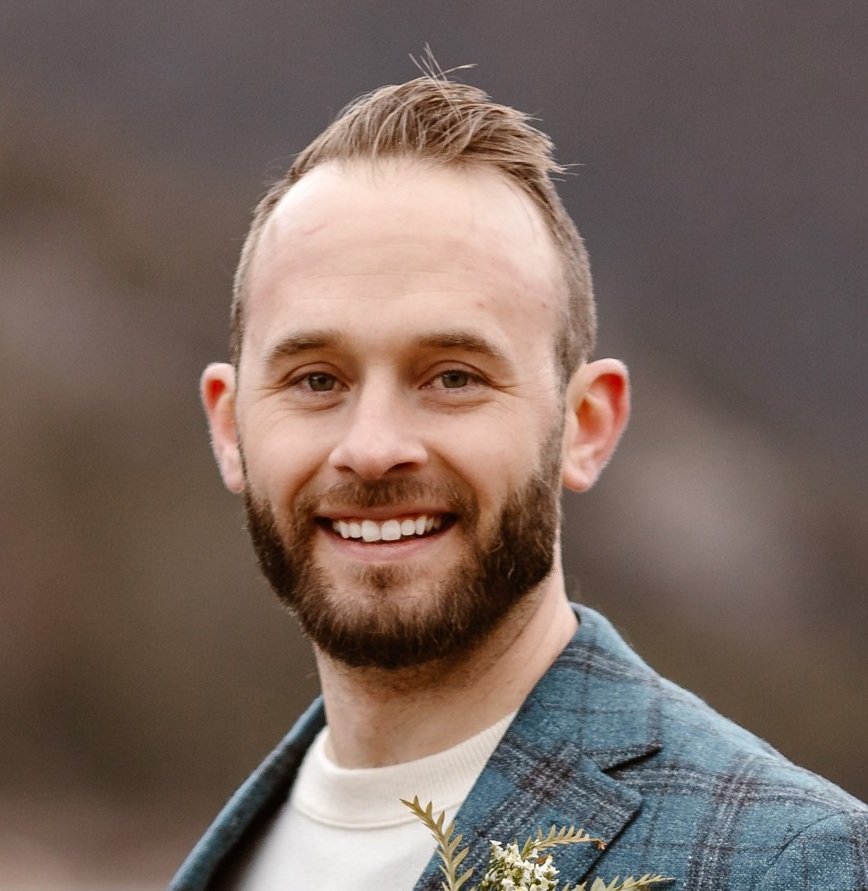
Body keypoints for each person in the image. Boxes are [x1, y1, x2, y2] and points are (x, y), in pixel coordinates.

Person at [170, 73, 867, 890]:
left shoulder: (795, 862)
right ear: (230, 427)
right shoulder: (234, 861)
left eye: (453, 376)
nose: (373, 448)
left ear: (587, 424)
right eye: (316, 380)